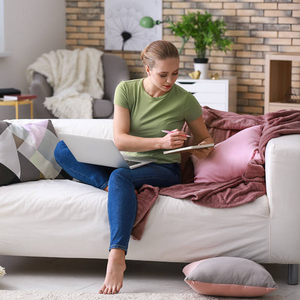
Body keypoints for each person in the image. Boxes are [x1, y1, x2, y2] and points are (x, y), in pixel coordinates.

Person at [54, 40, 213, 294]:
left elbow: (204, 139)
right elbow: (121, 139)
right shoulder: (126, 90)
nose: (170, 80)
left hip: (164, 168)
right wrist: (160, 141)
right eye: (163, 74)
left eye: (175, 73)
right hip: (128, 161)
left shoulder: (184, 100)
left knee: (120, 177)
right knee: (62, 149)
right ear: (148, 69)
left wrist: (202, 146)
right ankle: (109, 187)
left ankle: (117, 256)